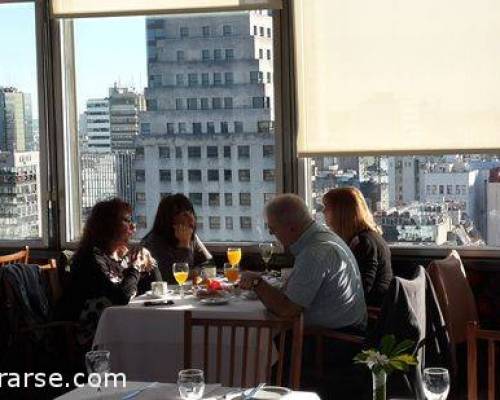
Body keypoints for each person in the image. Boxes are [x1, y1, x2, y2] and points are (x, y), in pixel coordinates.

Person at [240, 194, 367, 331]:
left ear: (292, 228)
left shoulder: (314, 253)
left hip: (330, 340)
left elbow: (287, 310)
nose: (271, 233)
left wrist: (257, 282)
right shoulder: (322, 236)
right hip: (344, 328)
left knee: (248, 341)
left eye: (273, 229)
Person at [59, 198, 158, 347]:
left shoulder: (118, 256)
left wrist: (150, 262)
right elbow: (121, 297)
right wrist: (136, 267)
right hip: (94, 334)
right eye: (126, 221)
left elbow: (157, 285)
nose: (133, 226)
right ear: (108, 226)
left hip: (119, 326)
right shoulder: (91, 259)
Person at [323, 187, 393, 306]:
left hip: (370, 313)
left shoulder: (363, 242)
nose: (323, 212)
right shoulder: (370, 237)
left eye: (327, 208)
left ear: (341, 212)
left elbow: (362, 289)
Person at [141, 193, 212, 283]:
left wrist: (196, 272)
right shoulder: (153, 244)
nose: (191, 218)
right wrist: (184, 246)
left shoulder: (191, 236)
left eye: (191, 213)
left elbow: (209, 265)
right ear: (170, 219)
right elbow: (171, 280)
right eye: (184, 215)